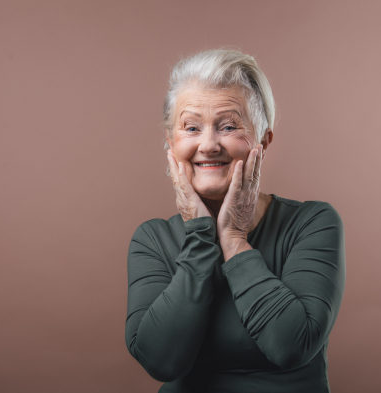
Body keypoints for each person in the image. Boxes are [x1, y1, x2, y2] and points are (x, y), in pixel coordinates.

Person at [125, 48, 346, 393]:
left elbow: (291, 346)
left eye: (228, 126)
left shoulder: (312, 222)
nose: (209, 144)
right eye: (192, 127)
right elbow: (161, 362)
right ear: (171, 145)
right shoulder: (152, 239)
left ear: (263, 141)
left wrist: (234, 238)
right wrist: (200, 236)